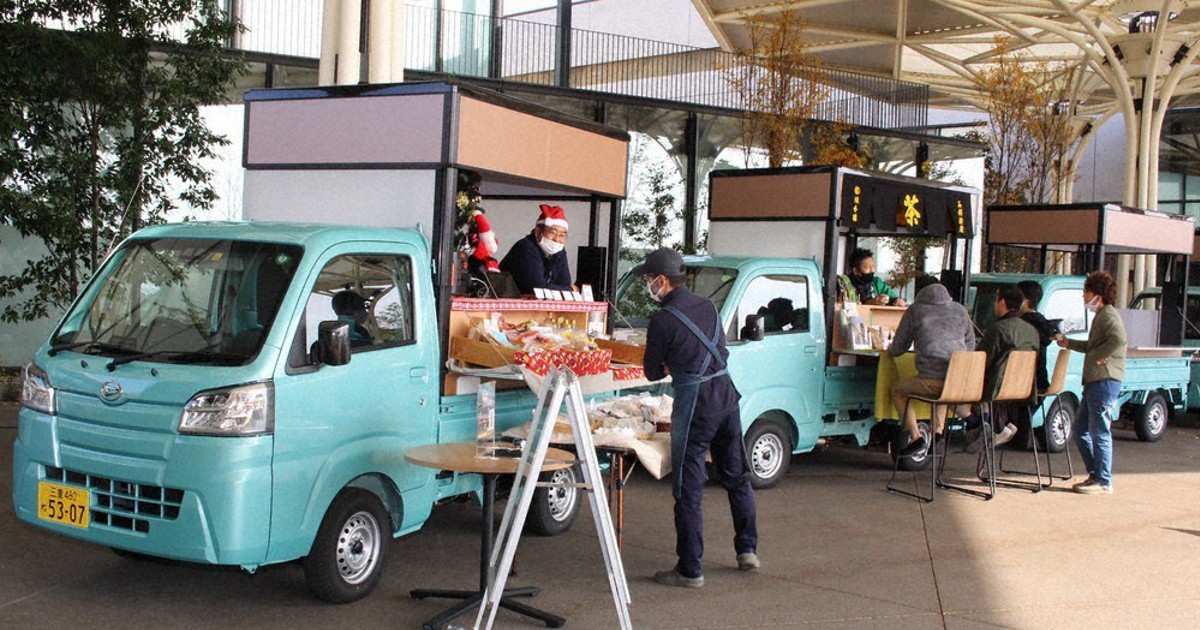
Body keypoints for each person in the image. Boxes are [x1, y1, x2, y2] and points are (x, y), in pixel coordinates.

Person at [637, 247, 758, 588]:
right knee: (736, 475)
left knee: (688, 487)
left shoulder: (661, 320)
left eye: (649, 280)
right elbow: (722, 350)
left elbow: (649, 372)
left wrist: (669, 364)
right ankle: (747, 550)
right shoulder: (707, 306)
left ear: (662, 280)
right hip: (726, 396)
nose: (649, 285)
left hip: (696, 404)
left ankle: (690, 569)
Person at [887, 278, 975, 458]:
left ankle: (915, 436)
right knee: (944, 393)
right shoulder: (959, 309)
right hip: (959, 379)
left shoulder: (915, 311)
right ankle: (940, 434)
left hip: (932, 380)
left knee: (897, 390)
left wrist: (888, 348)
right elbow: (970, 345)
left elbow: (898, 349)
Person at [1056, 271, 1127, 495]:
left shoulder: (1108, 316)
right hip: (1096, 381)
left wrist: (1101, 356)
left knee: (1100, 431)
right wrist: (1069, 343)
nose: (1084, 296)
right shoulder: (1102, 315)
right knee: (1080, 429)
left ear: (1098, 294)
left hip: (1104, 381)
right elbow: (1092, 346)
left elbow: (1118, 339)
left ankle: (1103, 480)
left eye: (1086, 292)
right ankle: (1095, 475)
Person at [969, 284, 1040, 449]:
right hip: (1024, 390)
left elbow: (982, 361)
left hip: (997, 389)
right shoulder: (1032, 332)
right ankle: (991, 431)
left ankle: (982, 428)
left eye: (996, 299)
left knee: (962, 390)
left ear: (1002, 302)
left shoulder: (998, 329)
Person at [499, 204, 573, 295]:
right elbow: (537, 288)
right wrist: (569, 289)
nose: (557, 239)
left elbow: (564, 283)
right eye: (553, 232)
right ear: (537, 231)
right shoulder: (526, 247)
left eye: (562, 235)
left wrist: (566, 289)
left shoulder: (559, 251)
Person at [1017, 280, 1060, 392]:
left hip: (1025, 386)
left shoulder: (1023, 324)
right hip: (1041, 383)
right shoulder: (1042, 322)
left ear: (1026, 300)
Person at [838, 248, 906, 307]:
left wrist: (895, 301)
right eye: (867, 267)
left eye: (873, 266)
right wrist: (871, 302)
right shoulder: (842, 283)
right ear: (855, 271)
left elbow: (892, 297)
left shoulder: (877, 283)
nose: (872, 270)